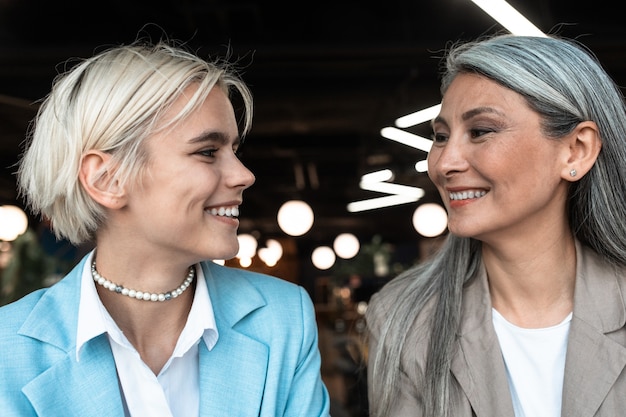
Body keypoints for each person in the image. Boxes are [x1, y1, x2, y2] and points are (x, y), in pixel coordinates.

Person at [0, 39, 330, 416]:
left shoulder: (285, 318)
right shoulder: (5, 352)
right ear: (108, 178)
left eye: (235, 151)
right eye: (207, 152)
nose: (244, 175)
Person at [366, 33, 626, 417]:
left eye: (481, 131)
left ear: (576, 150)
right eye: (440, 137)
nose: (443, 163)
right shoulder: (403, 317)